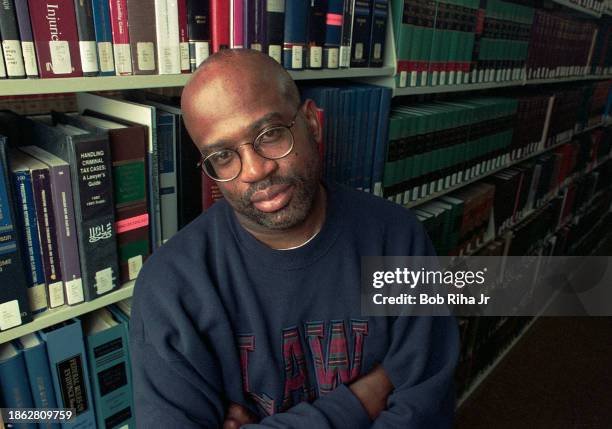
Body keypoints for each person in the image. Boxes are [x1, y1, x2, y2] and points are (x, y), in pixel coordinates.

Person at [129, 49, 459, 428]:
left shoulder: (400, 239)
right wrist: (360, 401)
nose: (255, 170)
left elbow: (425, 414)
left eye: (269, 135)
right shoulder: (170, 287)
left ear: (311, 123)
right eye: (222, 155)